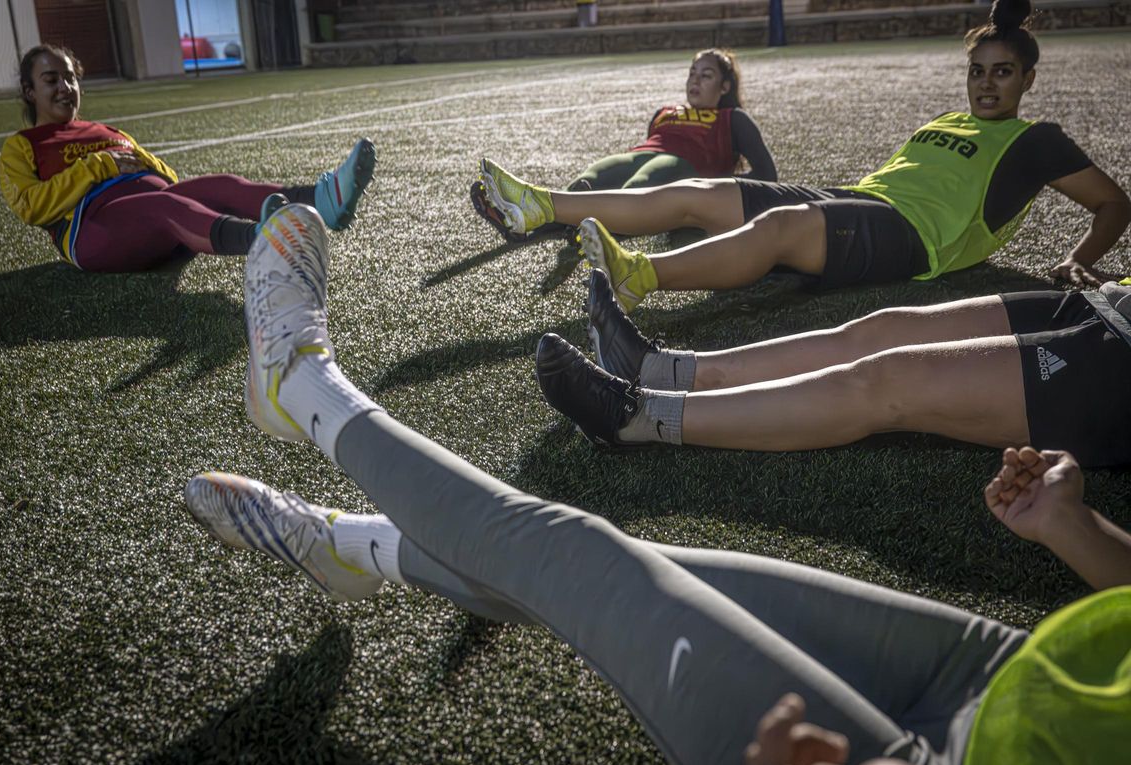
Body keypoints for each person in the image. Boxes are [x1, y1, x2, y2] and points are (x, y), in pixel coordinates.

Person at [184, 203, 1130, 765]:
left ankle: (301, 387)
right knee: (633, 577)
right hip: (1022, 671)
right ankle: (360, 549)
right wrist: (1078, 530)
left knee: (577, 558)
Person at [478, 0, 1129, 308]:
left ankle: (642, 277)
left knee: (779, 227)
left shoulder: (1035, 140)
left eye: (1003, 72)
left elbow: (1113, 204)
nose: (987, 83)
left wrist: (1077, 259)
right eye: (979, 71)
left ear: (1028, 80)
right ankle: (542, 207)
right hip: (859, 200)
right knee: (703, 194)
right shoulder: (949, 119)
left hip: (912, 240)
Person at [535, 267, 1131, 466]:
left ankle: (637, 417)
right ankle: (660, 368)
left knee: (887, 380)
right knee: (881, 330)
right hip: (1110, 302)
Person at [0, 44, 375, 273]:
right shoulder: (22, 145)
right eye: (52, 80)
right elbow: (31, 207)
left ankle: (324, 201)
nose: (65, 88)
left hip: (155, 211)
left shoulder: (107, 131)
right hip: (91, 231)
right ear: (30, 92)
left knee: (222, 184)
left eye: (70, 78)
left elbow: (165, 176)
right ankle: (264, 240)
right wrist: (101, 166)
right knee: (166, 205)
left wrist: (141, 160)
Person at [471, 49, 776, 242]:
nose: (695, 81)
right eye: (692, 74)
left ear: (725, 86)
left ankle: (599, 229)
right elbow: (650, 145)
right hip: (641, 155)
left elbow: (766, 173)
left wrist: (707, 189)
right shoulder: (665, 111)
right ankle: (523, 227)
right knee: (588, 181)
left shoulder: (733, 118)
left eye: (706, 76)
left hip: (681, 168)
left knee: (643, 181)